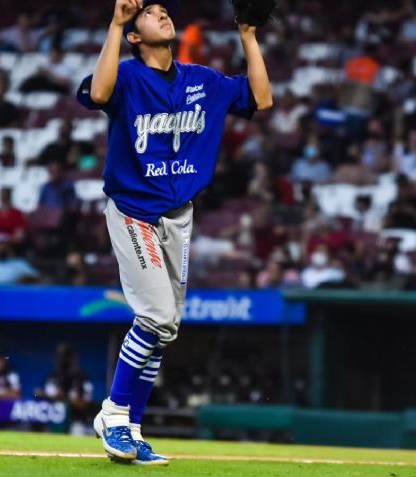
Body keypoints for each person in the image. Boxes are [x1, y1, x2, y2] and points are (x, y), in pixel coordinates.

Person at [76, 0, 272, 464]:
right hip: (133, 209)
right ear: (136, 37)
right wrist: (116, 23)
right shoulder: (125, 75)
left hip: (178, 215)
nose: (162, 14)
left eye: (164, 10)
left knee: (165, 331)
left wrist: (248, 37)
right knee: (158, 316)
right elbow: (98, 94)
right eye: (151, 13)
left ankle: (134, 430)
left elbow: (261, 100)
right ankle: (114, 415)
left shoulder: (202, 80)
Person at [39, 343, 94, 435]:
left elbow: (85, 405)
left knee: (77, 431)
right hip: (53, 421)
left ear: (73, 358)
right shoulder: (53, 376)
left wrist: (65, 397)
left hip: (76, 422)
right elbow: (42, 396)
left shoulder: (82, 378)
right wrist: (46, 395)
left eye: (65, 357)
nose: (62, 360)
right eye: (60, 357)